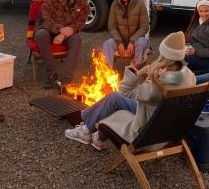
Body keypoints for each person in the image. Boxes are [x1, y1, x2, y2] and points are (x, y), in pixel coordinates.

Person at [64, 30, 195, 150]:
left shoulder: (159, 84)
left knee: (115, 98)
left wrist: (139, 73)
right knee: (114, 100)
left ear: (164, 55)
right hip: (170, 129)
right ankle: (97, 137)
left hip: (148, 131)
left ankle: (86, 130)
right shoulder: (189, 76)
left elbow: (125, 92)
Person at [33, 0, 89, 88]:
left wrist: (63, 34)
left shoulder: (83, 4)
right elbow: (44, 18)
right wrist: (60, 30)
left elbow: (80, 24)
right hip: (47, 29)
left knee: (76, 39)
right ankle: (51, 73)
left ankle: (66, 78)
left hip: (66, 33)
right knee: (41, 34)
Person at [102, 0, 150, 68]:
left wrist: (132, 41)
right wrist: (119, 42)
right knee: (107, 44)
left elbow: (144, 27)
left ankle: (133, 68)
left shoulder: (140, 4)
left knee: (142, 42)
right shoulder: (115, 4)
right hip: (120, 39)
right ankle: (107, 71)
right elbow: (112, 26)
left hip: (136, 40)